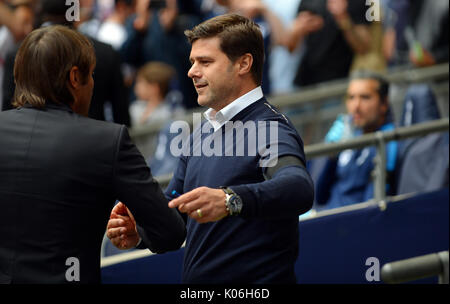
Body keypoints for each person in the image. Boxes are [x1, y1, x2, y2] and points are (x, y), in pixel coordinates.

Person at [107, 13, 314, 284]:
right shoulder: (202, 129)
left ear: (243, 64)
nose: (192, 71)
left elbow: (298, 187)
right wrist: (140, 233)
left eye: (205, 62)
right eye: (192, 61)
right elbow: (176, 217)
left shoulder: (268, 127)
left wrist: (230, 200)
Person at [0, 25, 185, 284]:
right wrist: (138, 232)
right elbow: (169, 231)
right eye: (92, 74)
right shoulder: (107, 141)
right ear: (75, 77)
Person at [315, 70, 398, 210]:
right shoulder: (349, 135)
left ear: (384, 104)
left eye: (365, 97)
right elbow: (320, 197)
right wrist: (332, 156)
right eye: (351, 97)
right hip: (326, 213)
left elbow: (371, 211)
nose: (356, 106)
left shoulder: (388, 142)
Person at [286, 0, 371, 87]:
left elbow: (363, 48)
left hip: (339, 83)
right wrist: (298, 30)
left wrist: (343, 18)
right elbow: (291, 48)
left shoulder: (358, 2)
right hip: (305, 82)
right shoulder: (307, 2)